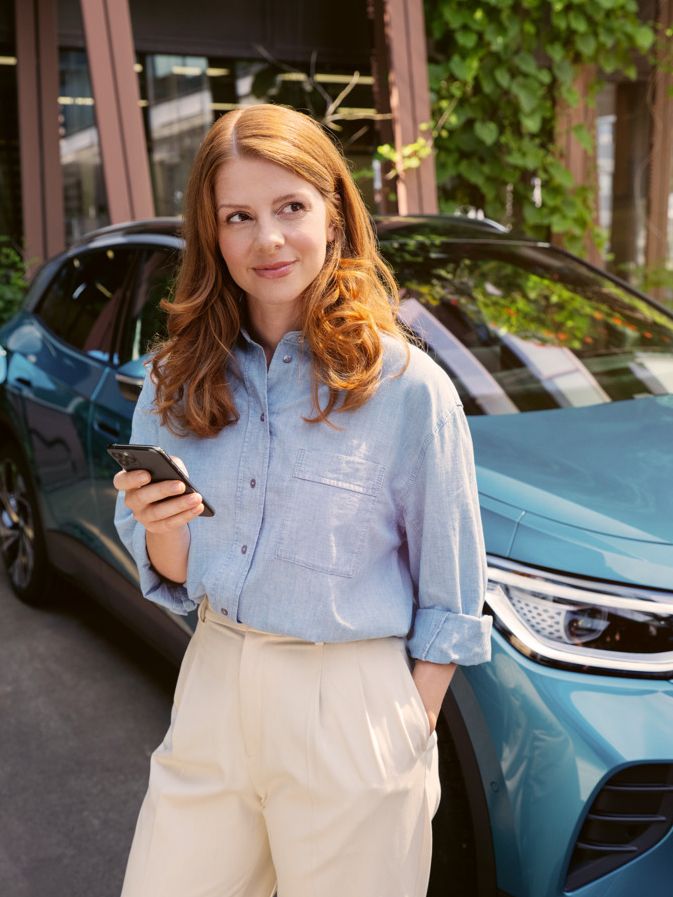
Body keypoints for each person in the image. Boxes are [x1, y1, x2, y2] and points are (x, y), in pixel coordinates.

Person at [113, 102, 492, 897]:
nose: (268, 239)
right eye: (238, 216)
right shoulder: (175, 378)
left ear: (334, 214)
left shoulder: (406, 388)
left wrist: (399, 728)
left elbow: (451, 594)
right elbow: (173, 578)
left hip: (348, 699)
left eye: (291, 206)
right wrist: (160, 525)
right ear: (213, 235)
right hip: (215, 674)